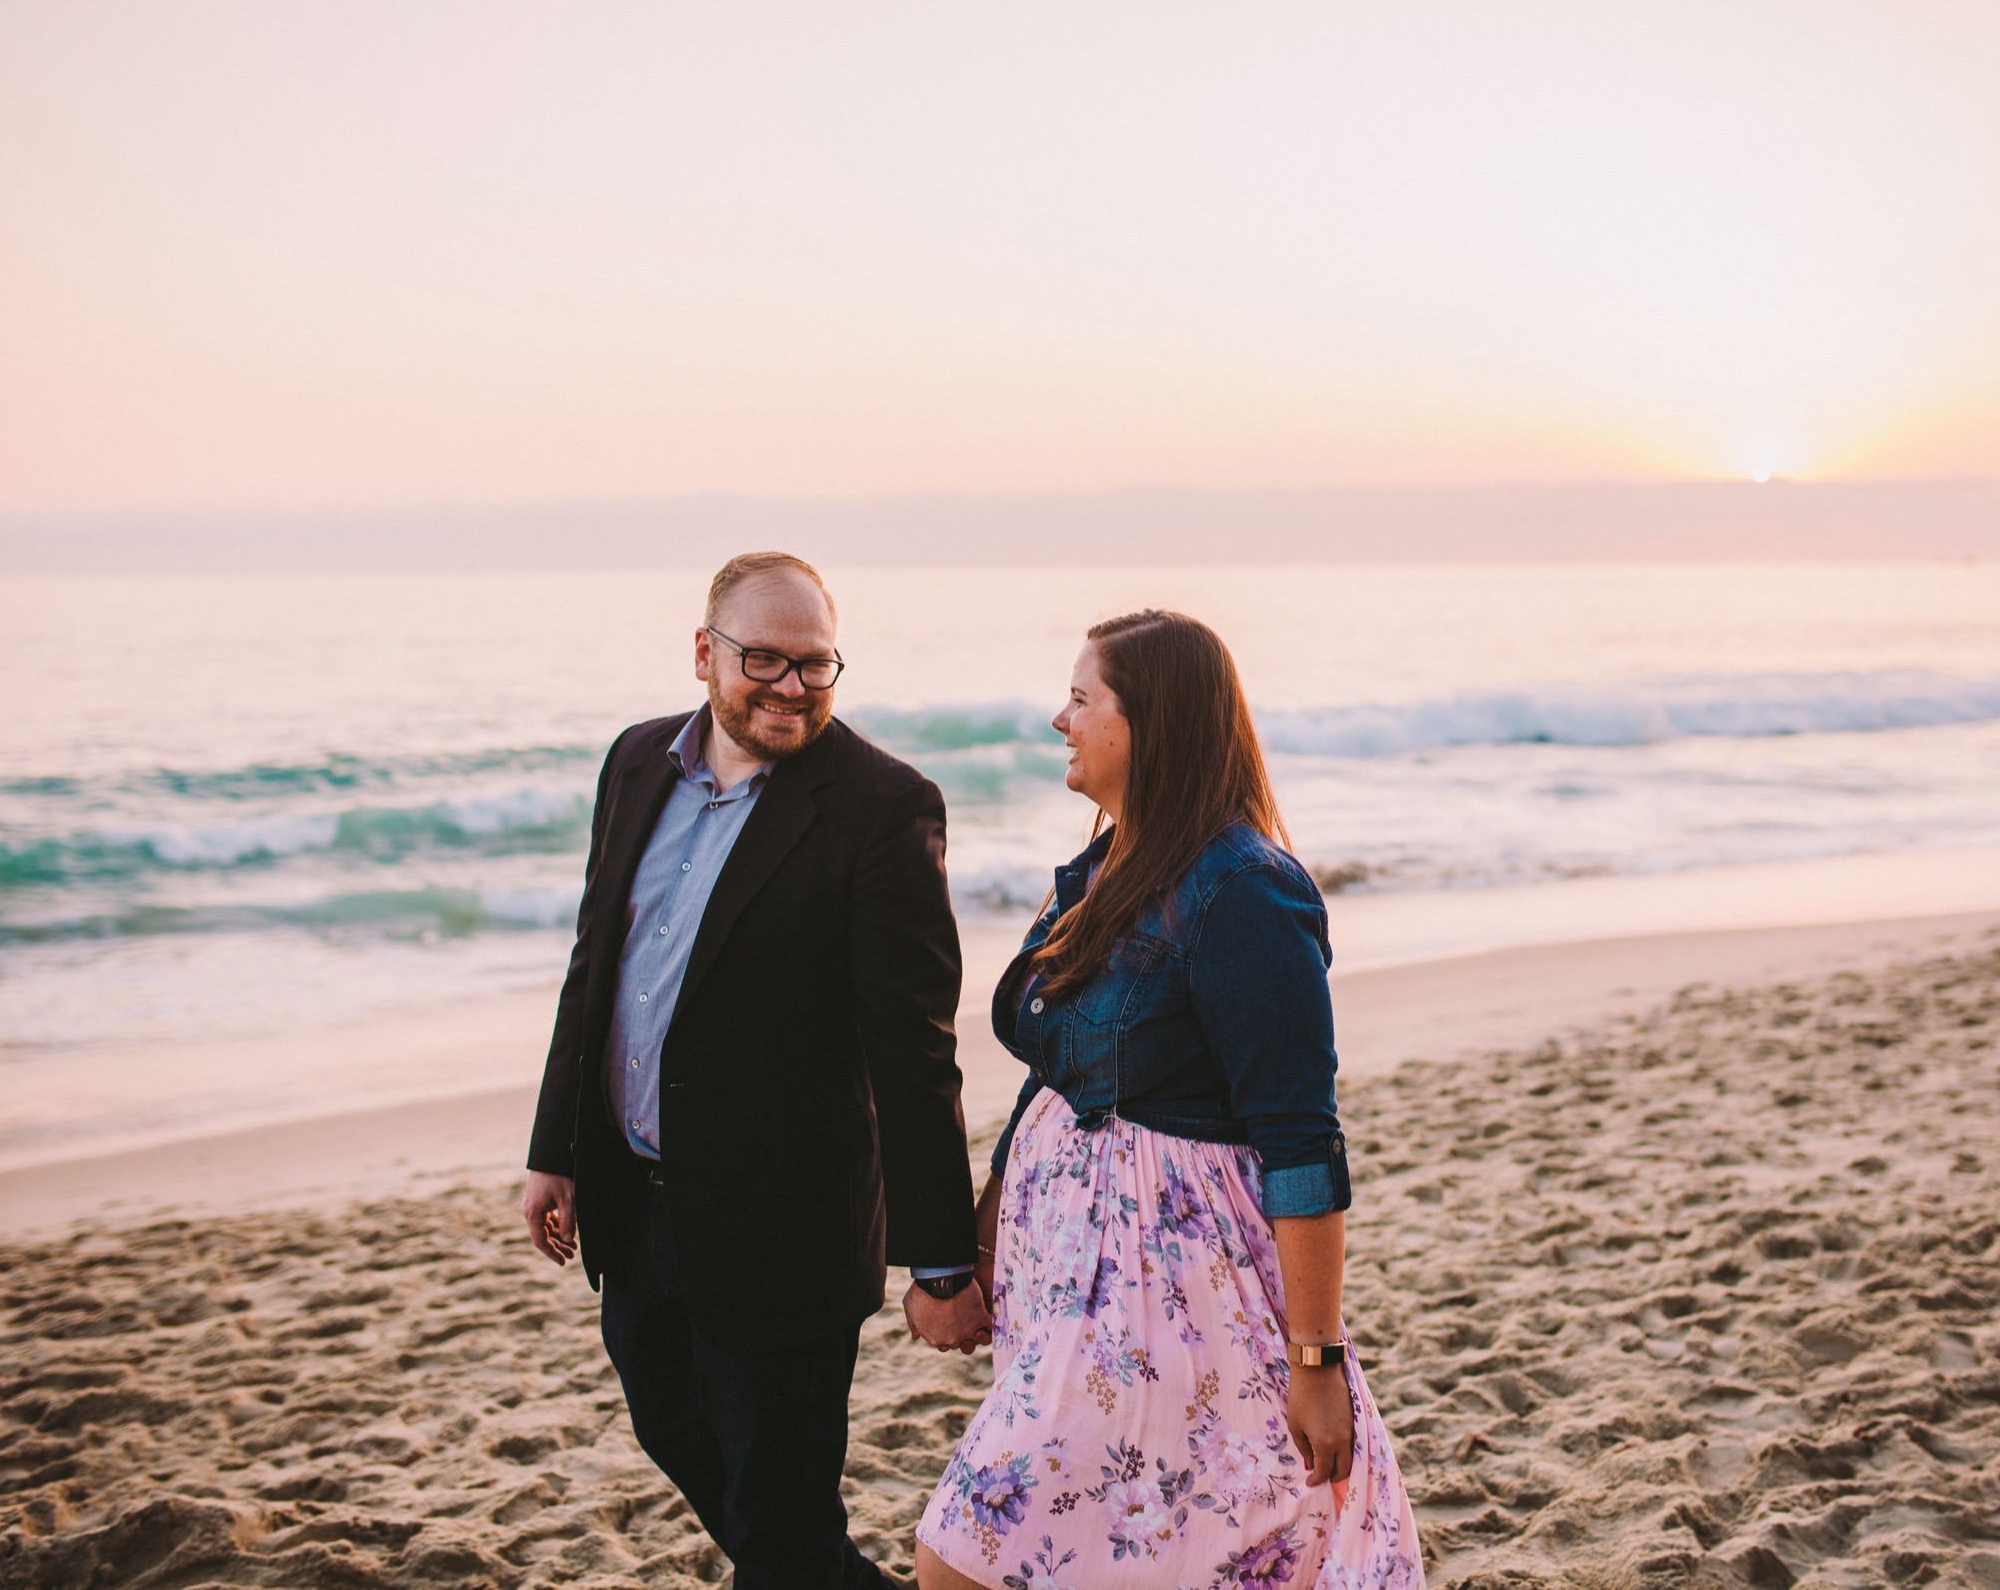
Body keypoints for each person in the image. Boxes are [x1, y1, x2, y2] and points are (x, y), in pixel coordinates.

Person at [914, 610, 1422, 1590]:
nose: (1059, 719)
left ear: (1150, 721)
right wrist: (982, 1232)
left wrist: (1314, 1356)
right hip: (1068, 1275)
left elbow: (1302, 1140)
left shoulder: (1245, 892)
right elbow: (1051, 1070)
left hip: (1170, 1289)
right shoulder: (1103, 867)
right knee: (1124, 1549)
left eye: (1080, 697)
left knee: (964, 1555)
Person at [521, 551, 991, 1590]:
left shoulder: (882, 806)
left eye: (815, 665)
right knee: (678, 1435)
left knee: (774, 1514)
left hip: (789, 1229)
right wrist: (554, 1150)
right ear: (704, 654)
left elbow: (914, 1049)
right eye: (764, 661)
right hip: (637, 1203)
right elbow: (595, 965)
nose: (790, 687)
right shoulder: (637, 762)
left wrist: (940, 1260)